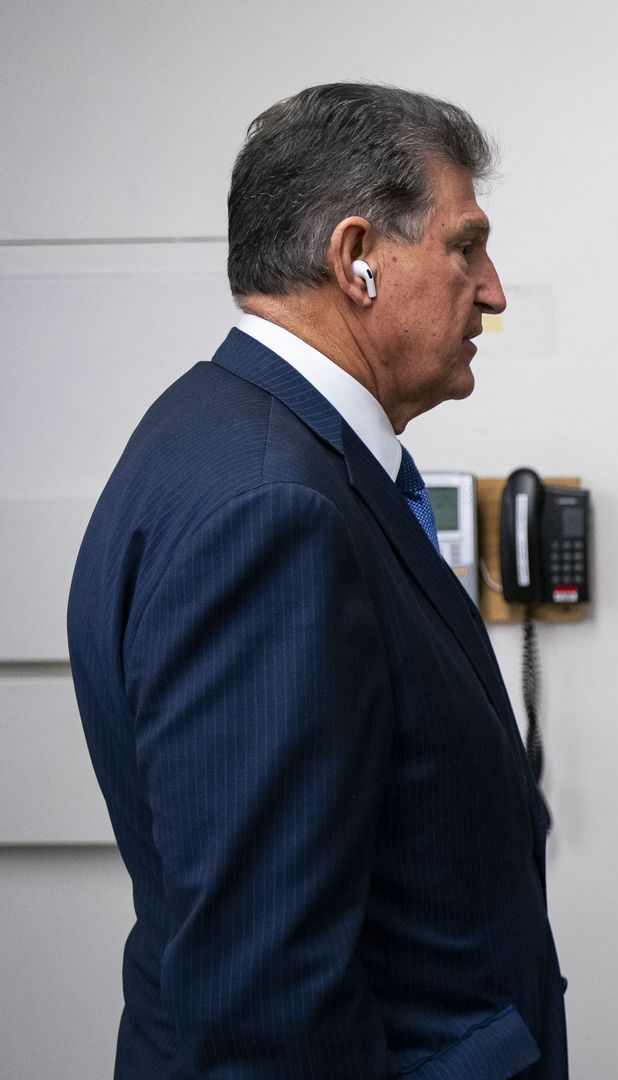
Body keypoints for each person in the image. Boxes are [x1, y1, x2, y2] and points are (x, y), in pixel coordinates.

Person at [67, 83, 567, 1079]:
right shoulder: (272, 512)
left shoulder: (227, 436)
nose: (494, 289)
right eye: (464, 246)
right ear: (356, 262)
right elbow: (264, 1003)